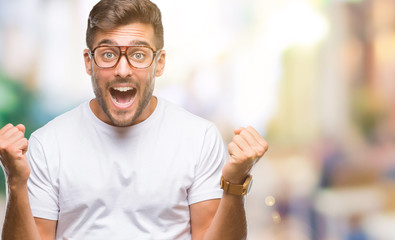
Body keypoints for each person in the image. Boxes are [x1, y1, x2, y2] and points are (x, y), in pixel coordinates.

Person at [0, 0, 268, 239]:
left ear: (159, 63)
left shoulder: (200, 139)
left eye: (138, 55)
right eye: (108, 54)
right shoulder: (48, 144)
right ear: (88, 62)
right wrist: (15, 181)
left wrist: (235, 183)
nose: (123, 70)